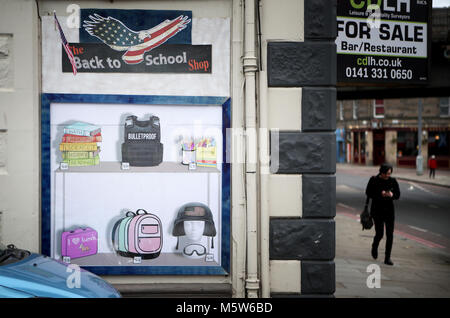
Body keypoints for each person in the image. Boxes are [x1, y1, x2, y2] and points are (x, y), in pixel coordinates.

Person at [365, 163, 401, 266]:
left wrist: (391, 195)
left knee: (390, 235)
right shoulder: (374, 180)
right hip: (377, 211)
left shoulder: (393, 181)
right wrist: (380, 193)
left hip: (389, 212)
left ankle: (387, 258)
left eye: (390, 174)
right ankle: (374, 246)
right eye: (386, 174)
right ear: (382, 172)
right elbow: (368, 193)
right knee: (379, 233)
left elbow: (398, 195)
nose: (388, 176)